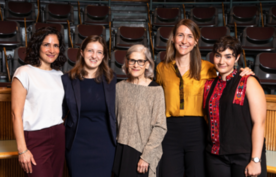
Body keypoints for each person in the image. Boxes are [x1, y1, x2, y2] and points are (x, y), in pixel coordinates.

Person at [156, 19, 254, 177]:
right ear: (173, 38)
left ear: (195, 41)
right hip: (169, 131)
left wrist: (245, 72)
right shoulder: (161, 68)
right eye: (180, 35)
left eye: (189, 36)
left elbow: (229, 75)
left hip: (199, 130)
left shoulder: (208, 68)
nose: (184, 40)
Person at [203, 36, 267, 177]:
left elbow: (259, 122)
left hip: (244, 155)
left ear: (237, 58)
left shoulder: (248, 81)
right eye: (218, 56)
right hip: (215, 156)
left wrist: (255, 160)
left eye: (228, 56)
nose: (222, 61)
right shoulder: (209, 85)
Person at [11, 27, 67, 177]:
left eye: (55, 45)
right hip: (35, 138)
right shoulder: (24, 72)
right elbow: (16, 114)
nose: (52, 50)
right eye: (46, 44)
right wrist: (22, 149)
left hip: (58, 135)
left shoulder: (59, 75)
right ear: (37, 47)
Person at [62, 35, 116, 177]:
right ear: (82, 52)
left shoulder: (111, 79)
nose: (94, 56)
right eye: (90, 51)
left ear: (104, 56)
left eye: (99, 52)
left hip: (105, 145)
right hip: (76, 145)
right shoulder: (67, 80)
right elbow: (59, 114)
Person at [113, 44, 167, 177]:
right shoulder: (119, 88)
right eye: (132, 60)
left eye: (140, 61)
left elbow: (160, 127)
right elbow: (114, 120)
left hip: (143, 152)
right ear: (127, 62)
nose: (135, 65)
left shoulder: (156, 90)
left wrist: (146, 156)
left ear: (147, 64)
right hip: (122, 150)